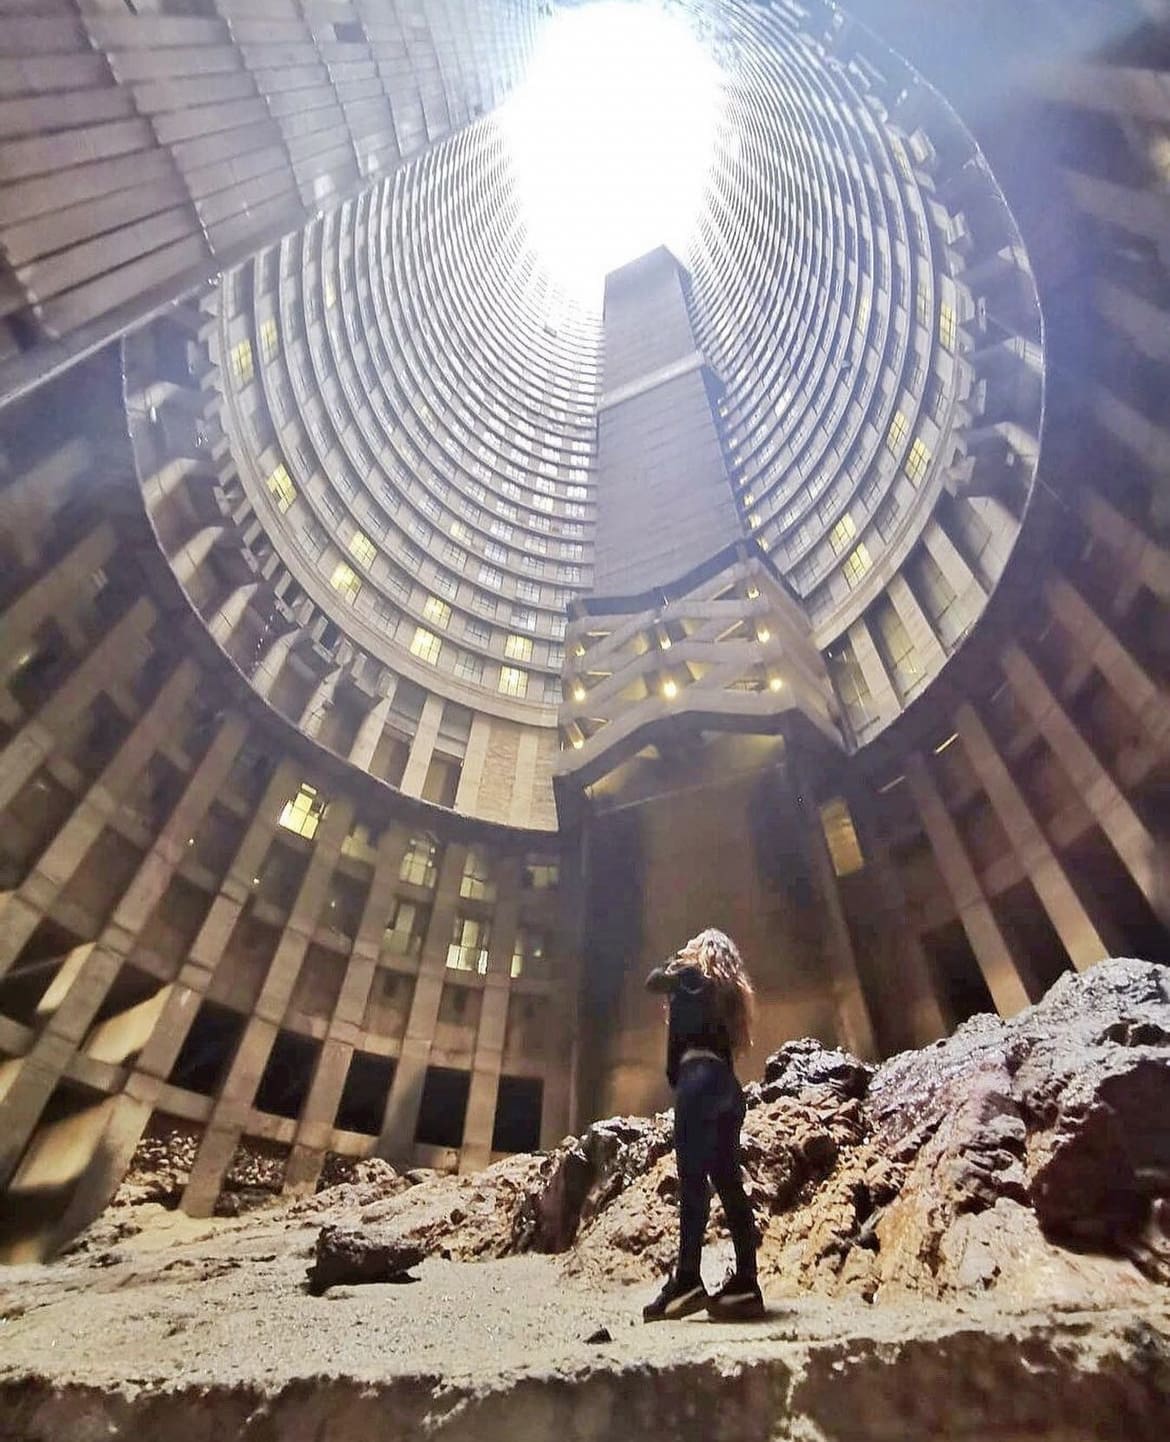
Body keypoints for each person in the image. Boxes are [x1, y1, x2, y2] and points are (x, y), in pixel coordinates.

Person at [641, 928, 764, 1322]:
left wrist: (679, 959)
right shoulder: (726, 995)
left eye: (692, 944)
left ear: (702, 952)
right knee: (729, 1184)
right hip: (727, 1088)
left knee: (693, 1183)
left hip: (697, 1081)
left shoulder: (690, 977)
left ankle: (688, 1279)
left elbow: (651, 980)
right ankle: (747, 1281)